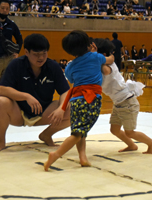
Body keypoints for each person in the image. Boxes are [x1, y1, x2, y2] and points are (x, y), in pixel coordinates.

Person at [0, 34, 70, 153]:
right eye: (36, 54)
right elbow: (2, 89)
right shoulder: (16, 65)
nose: (41, 58)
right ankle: (0, 142)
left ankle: (46, 135)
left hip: (45, 112)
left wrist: (61, 108)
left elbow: (65, 91)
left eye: (44, 53)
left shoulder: (53, 67)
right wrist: (26, 96)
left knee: (73, 105)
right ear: (26, 52)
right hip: (18, 113)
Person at [44, 30, 114, 171]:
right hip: (91, 99)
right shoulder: (96, 57)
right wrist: (111, 53)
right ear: (89, 44)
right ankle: (55, 155)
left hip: (75, 100)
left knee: (79, 131)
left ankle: (83, 157)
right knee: (78, 133)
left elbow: (71, 79)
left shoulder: (70, 65)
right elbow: (110, 60)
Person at [93, 38, 152, 154]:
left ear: (102, 55)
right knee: (114, 129)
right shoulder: (104, 63)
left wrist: (93, 57)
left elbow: (106, 70)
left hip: (127, 102)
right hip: (118, 102)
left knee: (130, 132)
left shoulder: (109, 65)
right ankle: (132, 145)